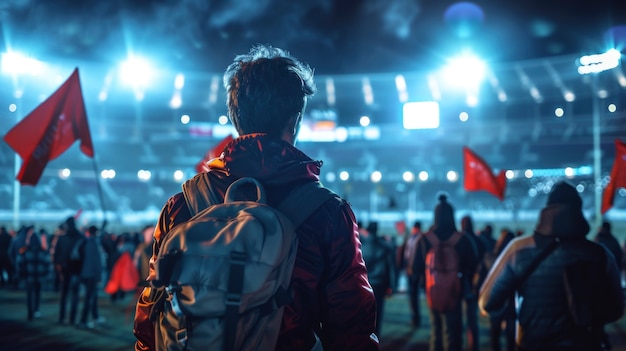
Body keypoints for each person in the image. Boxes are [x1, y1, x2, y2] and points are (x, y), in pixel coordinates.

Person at [133, 44, 378, 351]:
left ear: (235, 117)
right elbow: (351, 329)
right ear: (295, 118)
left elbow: (150, 316)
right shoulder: (327, 213)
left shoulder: (182, 204)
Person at [479, 181, 624, 351]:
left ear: (546, 211)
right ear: (578, 212)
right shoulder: (600, 254)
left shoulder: (518, 250)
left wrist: (518, 316)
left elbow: (487, 302)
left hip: (532, 343)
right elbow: (616, 309)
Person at [411, 194, 477, 351]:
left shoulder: (425, 239)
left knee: (436, 330)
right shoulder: (461, 239)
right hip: (455, 290)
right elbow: (473, 264)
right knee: (453, 332)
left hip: (432, 290)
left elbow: (414, 267)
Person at [360, 221, 397, 336]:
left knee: (365, 312)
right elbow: (391, 268)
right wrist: (392, 285)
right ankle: (376, 335)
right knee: (378, 311)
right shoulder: (385, 247)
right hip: (380, 283)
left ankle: (367, 335)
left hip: (365, 283)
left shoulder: (361, 247)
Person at [488, 228, 516, 351]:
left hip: (496, 299)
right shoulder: (518, 260)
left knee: (495, 334)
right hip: (511, 302)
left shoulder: (490, 258)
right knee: (511, 336)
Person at [53, 216, 84, 325]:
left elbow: (56, 256)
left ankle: (62, 318)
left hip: (65, 270)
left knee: (64, 295)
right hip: (76, 270)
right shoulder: (80, 238)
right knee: (74, 296)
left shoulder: (62, 238)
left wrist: (58, 269)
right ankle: (72, 319)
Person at [459, 215, 484, 351]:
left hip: (462, 283)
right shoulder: (478, 241)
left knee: (459, 318)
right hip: (475, 283)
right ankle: (473, 345)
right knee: (472, 318)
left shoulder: (460, 240)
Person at [15, 225, 50, 321]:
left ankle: (30, 313)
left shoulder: (26, 252)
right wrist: (46, 275)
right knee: (38, 294)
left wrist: (22, 275)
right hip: (39, 277)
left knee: (30, 295)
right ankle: (36, 310)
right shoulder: (42, 252)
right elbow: (47, 264)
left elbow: (21, 264)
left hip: (29, 277)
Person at [404, 221, 424, 328]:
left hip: (416, 271)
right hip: (410, 270)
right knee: (412, 296)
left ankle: (416, 318)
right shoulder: (412, 238)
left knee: (414, 295)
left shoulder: (419, 239)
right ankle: (414, 317)